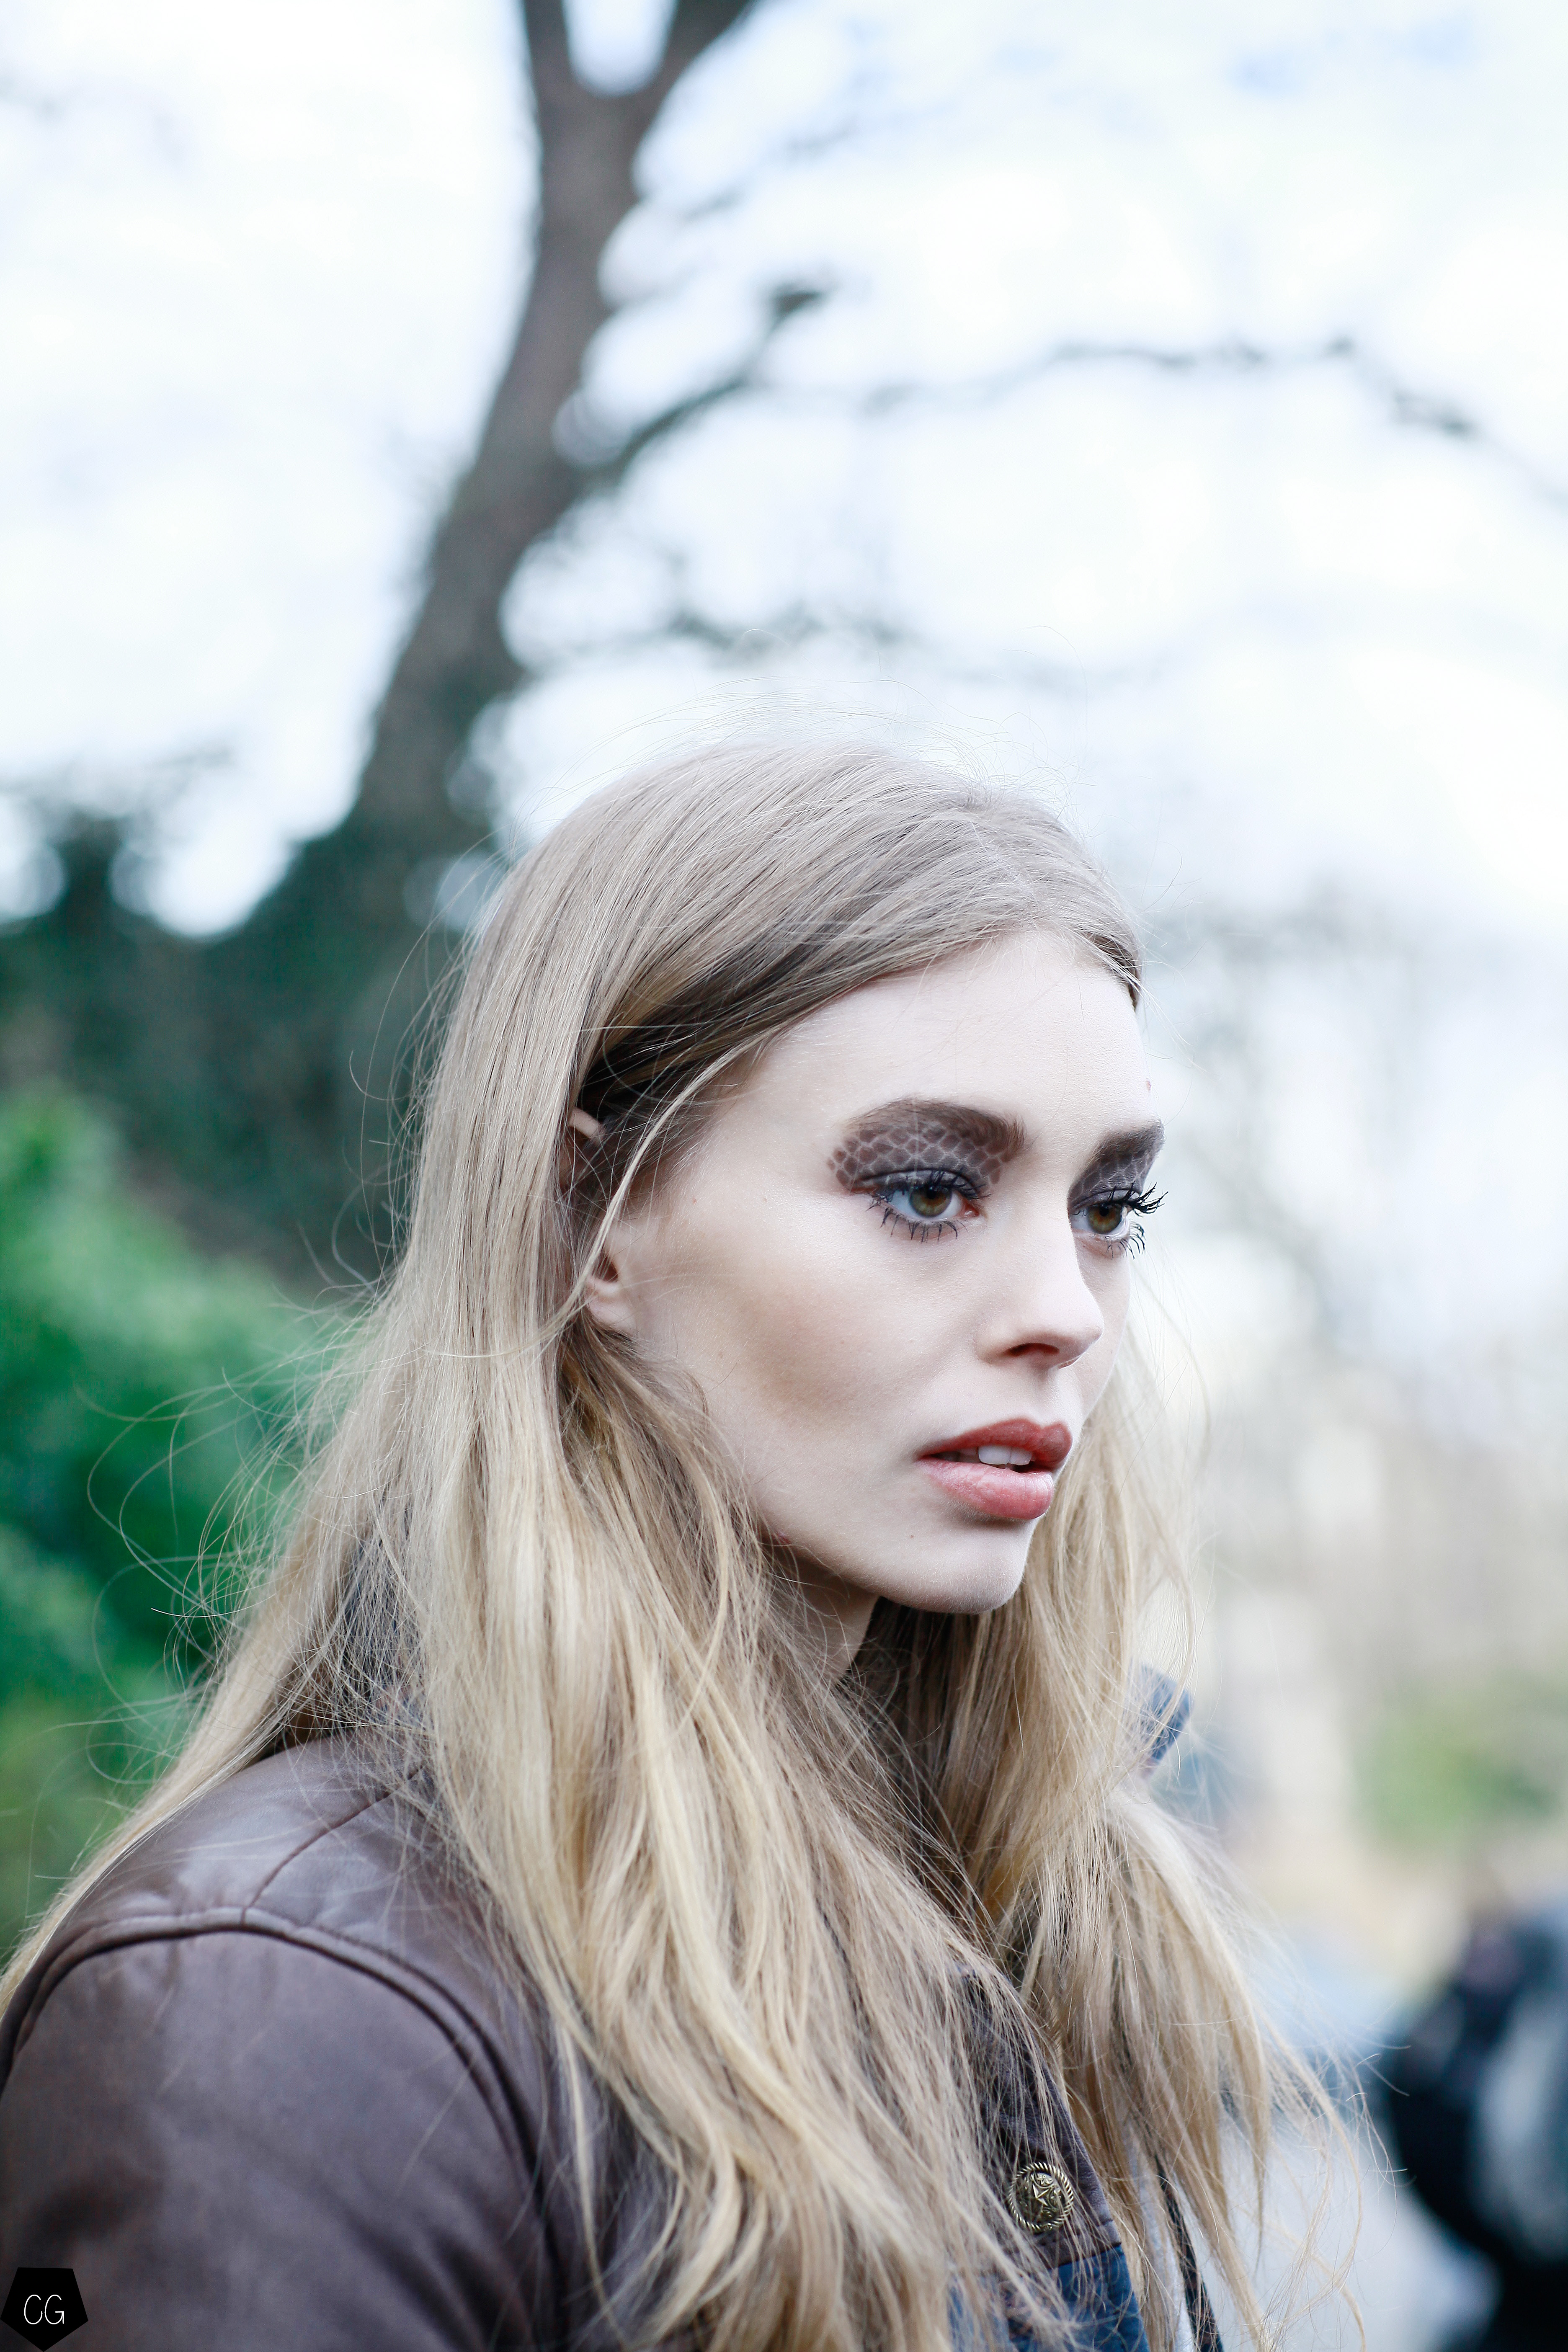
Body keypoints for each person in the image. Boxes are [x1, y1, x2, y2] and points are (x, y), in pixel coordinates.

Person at [0, 744, 1321, 2350]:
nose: (1066, 1312)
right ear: (592, 1215)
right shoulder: (284, 2007)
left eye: (1109, 1208)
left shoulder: (1016, 1920)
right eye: (927, 1191)